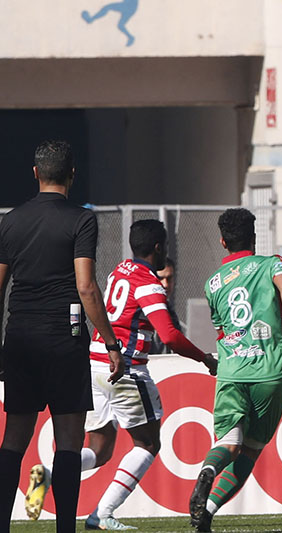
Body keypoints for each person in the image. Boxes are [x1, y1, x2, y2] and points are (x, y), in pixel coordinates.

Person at [25, 220, 218, 530]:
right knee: (148, 444)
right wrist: (204, 357)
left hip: (94, 365)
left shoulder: (120, 270)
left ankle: (47, 475)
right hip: (124, 369)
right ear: (159, 248)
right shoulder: (147, 282)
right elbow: (168, 335)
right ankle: (102, 513)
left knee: (100, 450)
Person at [0, 140, 124, 533]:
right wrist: (110, 341)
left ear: (35, 174)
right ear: (73, 173)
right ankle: (66, 529)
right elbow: (86, 286)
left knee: (13, 438)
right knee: (69, 438)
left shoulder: (11, 220)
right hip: (64, 338)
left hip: (19, 337)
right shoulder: (81, 219)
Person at [188, 208, 282, 532]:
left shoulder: (212, 283)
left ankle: (208, 472)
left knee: (228, 443)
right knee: (251, 449)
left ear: (223, 241)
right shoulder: (273, 263)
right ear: (254, 239)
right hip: (270, 370)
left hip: (231, 371)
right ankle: (208, 511)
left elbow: (222, 332)